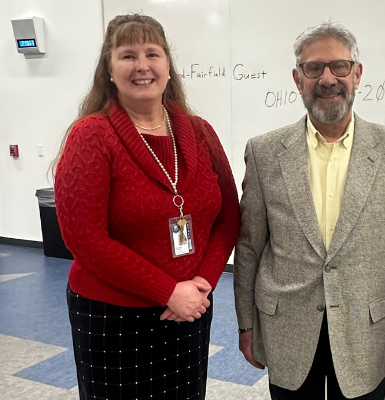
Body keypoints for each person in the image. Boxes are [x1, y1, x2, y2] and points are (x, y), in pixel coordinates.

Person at [233, 21, 385, 400]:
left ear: (357, 74)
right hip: (286, 326)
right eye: (313, 68)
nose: (327, 78)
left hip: (366, 331)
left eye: (339, 67)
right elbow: (250, 245)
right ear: (297, 77)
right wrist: (246, 322)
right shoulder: (264, 152)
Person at [53, 14, 240, 400]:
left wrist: (201, 283)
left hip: (191, 308)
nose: (142, 66)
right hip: (113, 316)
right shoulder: (92, 135)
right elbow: (83, 238)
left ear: (168, 67)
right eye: (128, 55)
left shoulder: (199, 131)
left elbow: (229, 215)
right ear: (109, 70)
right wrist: (168, 291)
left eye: (152, 53)